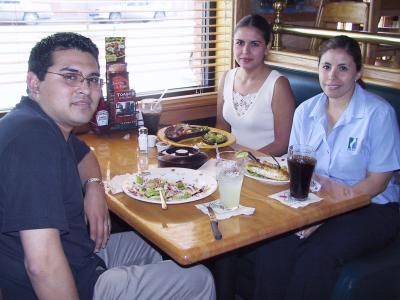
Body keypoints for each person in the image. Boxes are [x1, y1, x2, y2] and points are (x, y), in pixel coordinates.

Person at [0, 32, 216, 300]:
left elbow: (85, 156)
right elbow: (42, 265)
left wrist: (94, 188)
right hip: (72, 283)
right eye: (70, 76)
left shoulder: (42, 123)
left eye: (92, 79)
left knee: (160, 244)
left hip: (79, 253)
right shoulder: (32, 140)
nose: (85, 88)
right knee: (198, 279)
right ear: (34, 82)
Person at [253, 35, 400, 299]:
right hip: (317, 201)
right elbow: (295, 167)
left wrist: (323, 218)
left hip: (371, 207)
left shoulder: (378, 114)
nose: (332, 75)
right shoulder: (305, 112)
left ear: (358, 72)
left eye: (343, 68)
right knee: (273, 245)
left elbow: (377, 182)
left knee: (316, 256)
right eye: (326, 66)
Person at [215, 14, 295, 156]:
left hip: (267, 166)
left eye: (254, 44)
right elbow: (222, 128)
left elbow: (282, 144)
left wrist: (243, 160)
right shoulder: (226, 78)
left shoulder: (278, 85)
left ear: (267, 46)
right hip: (231, 162)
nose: (245, 51)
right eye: (239, 42)